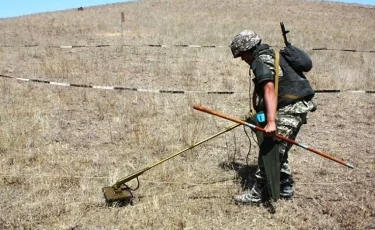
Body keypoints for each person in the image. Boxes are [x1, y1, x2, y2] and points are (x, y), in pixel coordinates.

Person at [230, 30, 316, 204]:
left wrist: (270, 122)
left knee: (271, 148)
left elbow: (269, 88)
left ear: (249, 49)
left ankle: (258, 192)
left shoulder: (259, 60)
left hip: (290, 108)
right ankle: (285, 186)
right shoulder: (273, 54)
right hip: (298, 106)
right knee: (280, 147)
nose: (242, 59)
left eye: (242, 54)